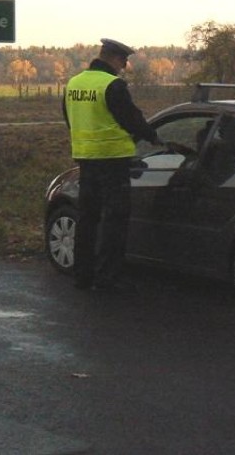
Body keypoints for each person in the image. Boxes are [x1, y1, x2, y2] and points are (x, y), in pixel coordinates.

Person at [63, 38, 161, 292]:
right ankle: (107, 278)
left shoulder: (74, 83)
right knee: (114, 221)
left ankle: (82, 276)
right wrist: (153, 136)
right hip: (113, 161)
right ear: (114, 58)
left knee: (87, 220)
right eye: (124, 61)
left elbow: (69, 118)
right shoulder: (112, 85)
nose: (124, 66)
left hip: (86, 160)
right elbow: (131, 119)